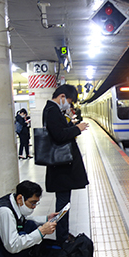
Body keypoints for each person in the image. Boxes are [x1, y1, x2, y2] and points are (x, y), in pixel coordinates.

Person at [43, 84, 89, 243]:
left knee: (64, 202)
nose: (69, 105)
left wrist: (71, 123)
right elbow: (59, 136)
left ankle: (63, 234)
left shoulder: (53, 110)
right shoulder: (52, 111)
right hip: (61, 167)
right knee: (63, 204)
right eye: (69, 101)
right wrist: (78, 129)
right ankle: (62, 238)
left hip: (61, 166)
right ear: (62, 97)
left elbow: (60, 131)